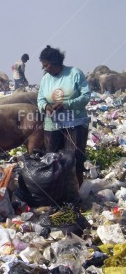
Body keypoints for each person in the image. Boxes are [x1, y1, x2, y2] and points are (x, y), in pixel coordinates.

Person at [37, 45, 91, 191]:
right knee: (53, 160)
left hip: (75, 124)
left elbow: (86, 96)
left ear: (55, 62)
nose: (45, 69)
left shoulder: (75, 73)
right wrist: (46, 107)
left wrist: (66, 104)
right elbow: (41, 98)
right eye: (43, 66)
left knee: (73, 160)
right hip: (52, 125)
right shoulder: (45, 79)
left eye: (46, 65)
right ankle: (57, 193)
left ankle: (75, 193)